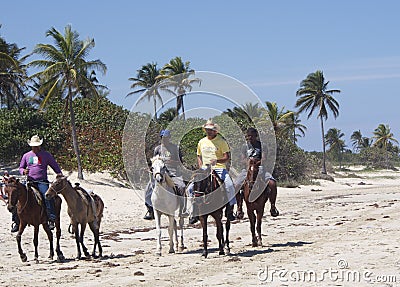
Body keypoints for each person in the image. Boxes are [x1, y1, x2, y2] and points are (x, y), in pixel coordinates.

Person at [187, 119, 237, 224]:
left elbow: (226, 157)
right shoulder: (201, 142)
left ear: (215, 131)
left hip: (219, 168)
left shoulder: (221, 142)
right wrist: (201, 167)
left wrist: (217, 161)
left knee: (229, 186)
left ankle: (230, 210)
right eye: (207, 129)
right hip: (205, 169)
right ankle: (194, 212)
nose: (208, 131)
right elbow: (199, 156)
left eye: (211, 130)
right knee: (191, 188)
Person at [19, 135, 63, 230]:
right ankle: (16, 220)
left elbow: (54, 165)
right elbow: (21, 167)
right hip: (30, 181)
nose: (35, 147)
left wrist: (59, 173)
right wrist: (23, 171)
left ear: (40, 146)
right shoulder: (26, 155)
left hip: (42, 181)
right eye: (34, 146)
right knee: (17, 194)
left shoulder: (46, 155)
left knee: (47, 196)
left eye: (37, 145)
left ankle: (51, 218)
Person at [234, 127, 279, 217]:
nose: (250, 138)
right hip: (247, 168)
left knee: (272, 183)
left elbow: (264, 158)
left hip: (260, 168)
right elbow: (242, 159)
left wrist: (256, 162)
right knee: (236, 185)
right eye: (248, 136)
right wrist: (248, 162)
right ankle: (239, 207)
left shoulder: (262, 146)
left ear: (256, 136)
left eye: (252, 136)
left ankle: (273, 206)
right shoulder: (244, 146)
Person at [143, 129, 186, 220]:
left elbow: (181, 162)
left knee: (181, 186)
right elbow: (155, 161)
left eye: (166, 138)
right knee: (148, 188)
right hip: (160, 172)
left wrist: (172, 161)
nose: (164, 139)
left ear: (169, 138)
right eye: (163, 138)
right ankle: (150, 210)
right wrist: (150, 168)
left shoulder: (175, 148)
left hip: (173, 172)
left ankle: (182, 209)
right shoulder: (157, 149)